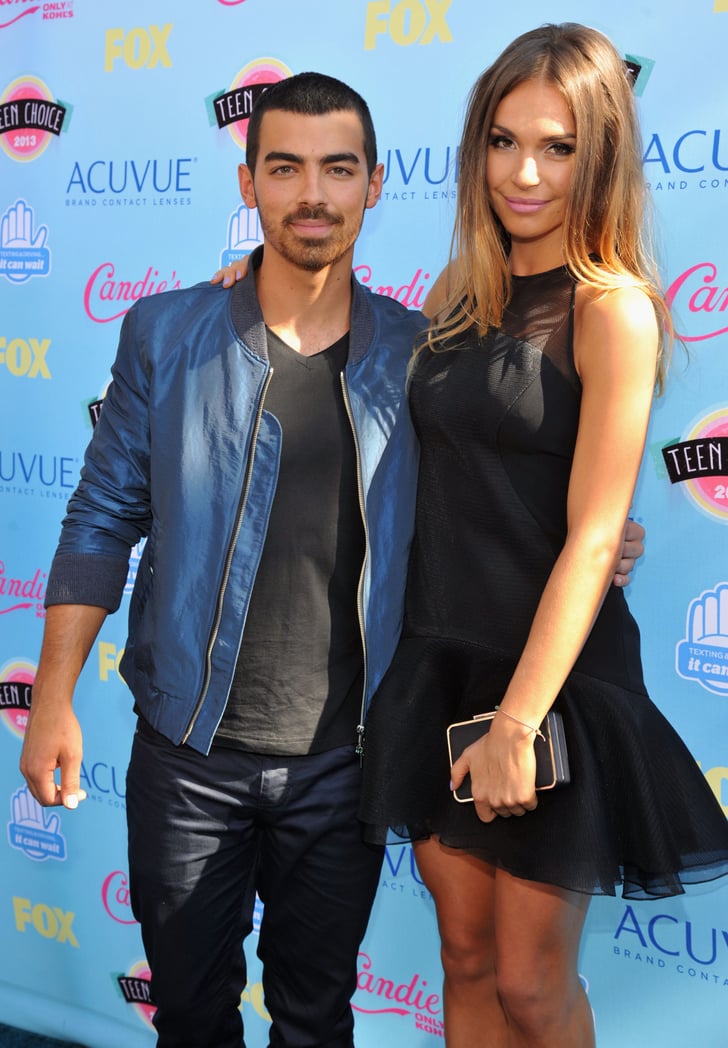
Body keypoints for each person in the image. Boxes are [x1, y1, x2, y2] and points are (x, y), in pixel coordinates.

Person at [20, 69, 643, 1048]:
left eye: (336, 169)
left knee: (317, 1019)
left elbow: (501, 463)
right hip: (185, 759)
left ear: (375, 184)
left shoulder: (417, 349)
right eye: (285, 168)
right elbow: (101, 513)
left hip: (345, 762)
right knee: (188, 1012)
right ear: (248, 185)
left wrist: (589, 537)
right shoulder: (167, 332)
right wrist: (52, 695)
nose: (311, 194)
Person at [355, 23, 728, 1048]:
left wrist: (516, 723)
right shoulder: (455, 294)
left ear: (598, 154)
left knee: (528, 985)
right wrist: (236, 296)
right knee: (462, 963)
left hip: (547, 681)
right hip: (439, 659)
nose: (523, 172)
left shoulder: (611, 311)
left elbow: (592, 532)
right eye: (503, 140)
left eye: (556, 146)